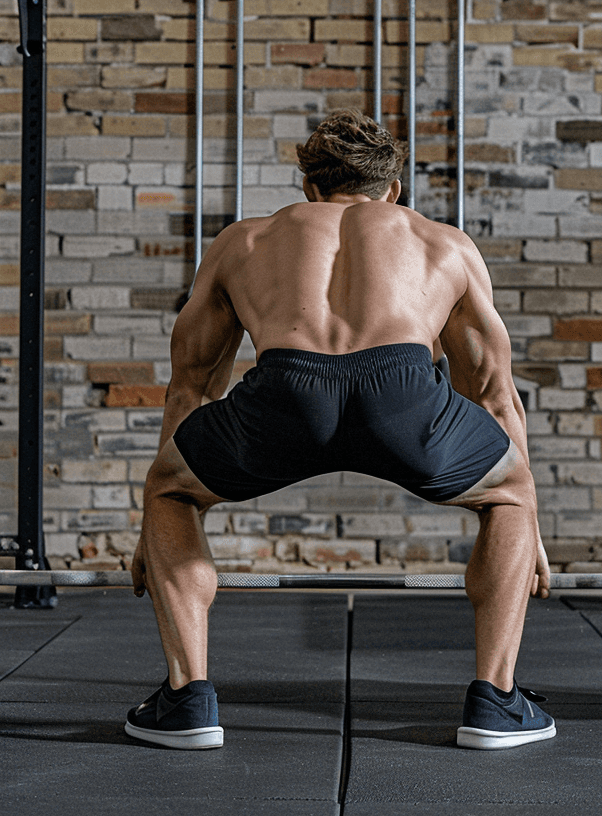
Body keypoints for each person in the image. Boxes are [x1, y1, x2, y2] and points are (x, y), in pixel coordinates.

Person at [125, 109, 554, 751]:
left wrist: (156, 530)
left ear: (308, 188)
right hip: (402, 393)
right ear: (394, 191)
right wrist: (528, 524)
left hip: (287, 391)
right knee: (510, 493)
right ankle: (494, 703)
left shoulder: (244, 241)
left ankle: (188, 702)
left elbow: (191, 384)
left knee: (168, 490)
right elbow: (492, 392)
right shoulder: (444, 244)